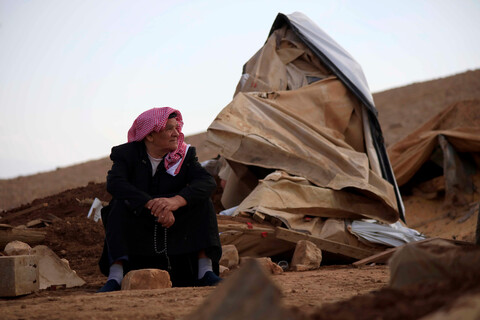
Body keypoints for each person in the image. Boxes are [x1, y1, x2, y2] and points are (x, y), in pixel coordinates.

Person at [97, 107, 222, 292]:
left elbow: (206, 182)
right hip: (141, 218)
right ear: (150, 136)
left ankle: (205, 272)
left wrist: (176, 202)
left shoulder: (185, 155)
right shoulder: (127, 154)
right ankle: (115, 277)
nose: (176, 134)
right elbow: (115, 183)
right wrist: (152, 205)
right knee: (117, 205)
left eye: (177, 128)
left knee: (203, 202)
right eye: (169, 129)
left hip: (175, 222)